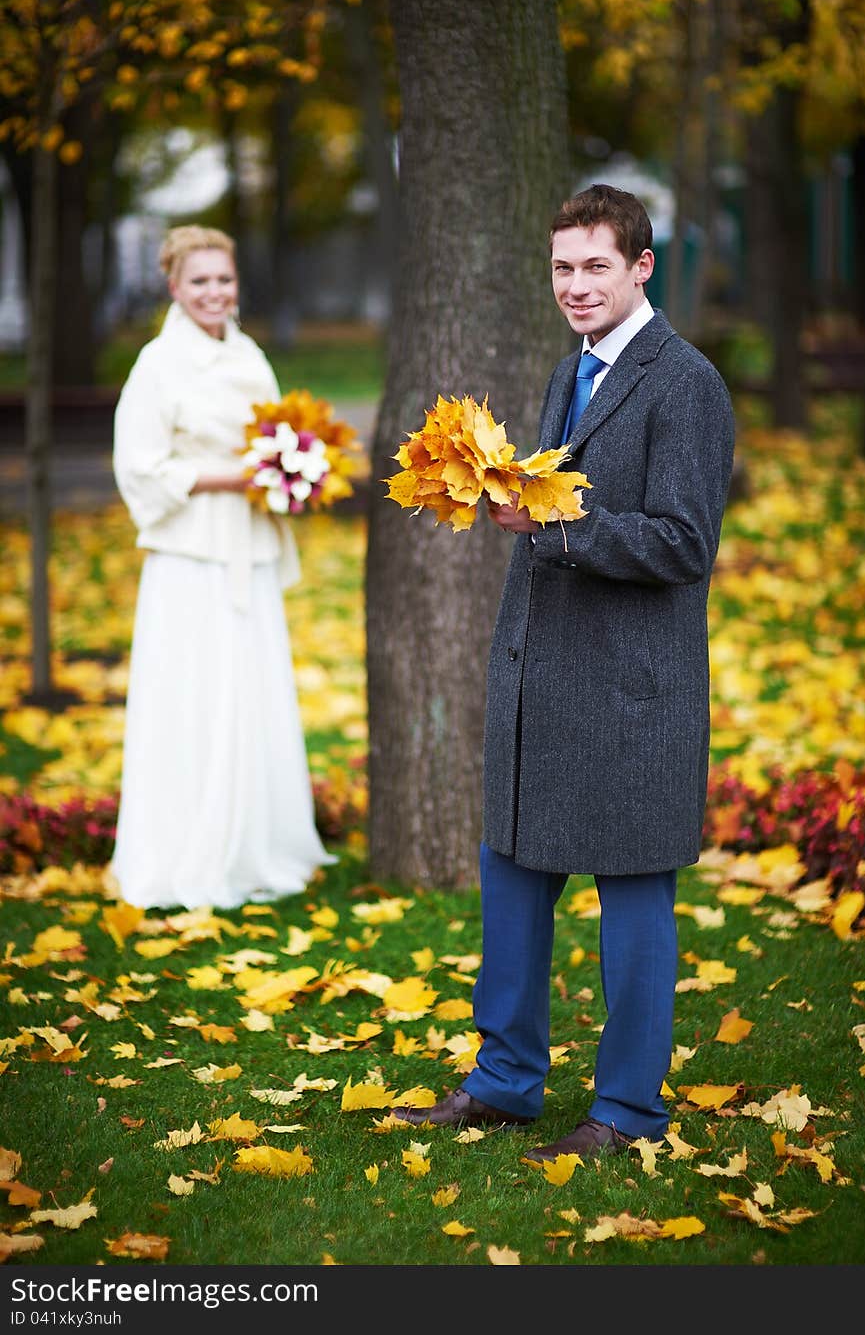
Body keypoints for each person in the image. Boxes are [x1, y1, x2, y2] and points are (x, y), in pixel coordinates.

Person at [393, 185, 735, 1160]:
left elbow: (683, 543)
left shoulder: (685, 383)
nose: (574, 286)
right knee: (510, 884)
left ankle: (625, 1113)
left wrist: (555, 525)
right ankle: (504, 1083)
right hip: (540, 683)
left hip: (632, 697)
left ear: (641, 266)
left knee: (631, 911)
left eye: (594, 266)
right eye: (561, 268)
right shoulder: (569, 369)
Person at [110, 224, 335, 912]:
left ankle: (256, 843)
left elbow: (275, 434)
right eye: (200, 281)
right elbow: (139, 466)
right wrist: (230, 478)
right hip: (189, 556)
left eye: (224, 280)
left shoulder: (250, 356)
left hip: (250, 549)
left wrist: (293, 473)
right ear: (175, 287)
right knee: (193, 695)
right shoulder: (157, 364)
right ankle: (186, 848)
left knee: (249, 687)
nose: (215, 293)